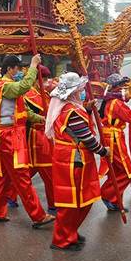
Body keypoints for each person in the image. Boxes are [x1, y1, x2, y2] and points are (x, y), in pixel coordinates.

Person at [0, 54, 55, 228]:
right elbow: (24, 86)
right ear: (10, 69)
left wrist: (39, 118)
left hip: (11, 135)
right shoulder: (7, 86)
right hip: (10, 137)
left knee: (5, 177)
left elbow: (22, 111)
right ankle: (37, 216)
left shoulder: (9, 87)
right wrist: (33, 65)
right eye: (19, 68)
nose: (21, 71)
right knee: (22, 177)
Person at [46, 72, 110, 251]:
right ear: (73, 93)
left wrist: (88, 110)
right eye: (80, 90)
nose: (82, 93)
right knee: (71, 202)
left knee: (83, 199)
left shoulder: (70, 109)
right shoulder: (71, 112)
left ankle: (70, 231)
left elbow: (78, 131)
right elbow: (86, 137)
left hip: (73, 158)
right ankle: (62, 238)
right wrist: (103, 151)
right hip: (73, 159)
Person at [99, 74, 131, 212]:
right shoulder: (115, 102)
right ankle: (106, 194)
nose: (125, 88)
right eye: (123, 85)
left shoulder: (110, 100)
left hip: (113, 135)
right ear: (117, 88)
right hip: (113, 138)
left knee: (116, 171)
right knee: (126, 171)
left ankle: (116, 201)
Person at [25, 64, 56, 214]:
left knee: (31, 169)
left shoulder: (46, 94)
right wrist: (40, 118)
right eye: (43, 79)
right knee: (48, 170)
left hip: (46, 134)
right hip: (36, 135)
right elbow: (28, 114)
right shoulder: (28, 94)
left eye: (47, 78)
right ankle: (53, 204)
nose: (46, 81)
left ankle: (10, 193)